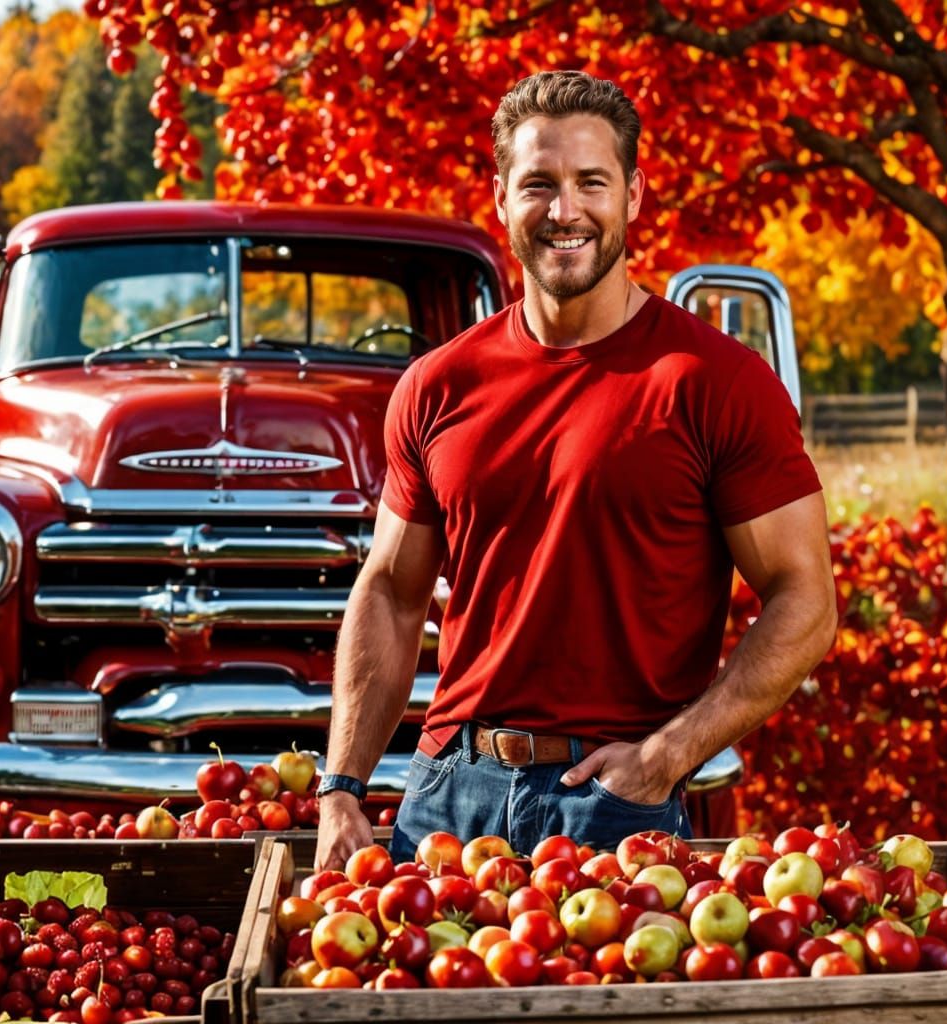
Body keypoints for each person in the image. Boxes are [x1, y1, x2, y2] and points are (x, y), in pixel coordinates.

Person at [314, 70, 837, 870]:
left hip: (619, 805)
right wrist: (342, 784)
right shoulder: (436, 384)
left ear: (631, 194)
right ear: (501, 198)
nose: (565, 211)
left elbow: (805, 600)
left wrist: (666, 757)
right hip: (450, 793)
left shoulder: (714, 382)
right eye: (539, 184)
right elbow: (390, 587)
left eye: (592, 182)